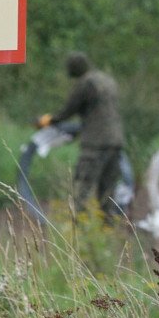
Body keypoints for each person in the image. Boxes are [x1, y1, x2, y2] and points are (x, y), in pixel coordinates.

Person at [37, 52, 126, 223]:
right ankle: (107, 230)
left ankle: (79, 230)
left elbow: (69, 110)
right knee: (108, 192)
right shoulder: (106, 80)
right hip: (115, 141)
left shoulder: (86, 83)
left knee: (82, 189)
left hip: (95, 143)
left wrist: (47, 120)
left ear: (74, 68)